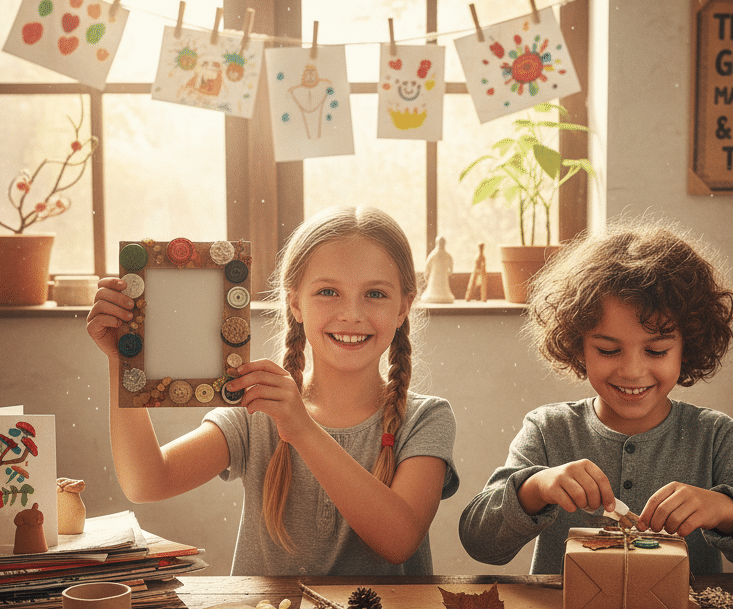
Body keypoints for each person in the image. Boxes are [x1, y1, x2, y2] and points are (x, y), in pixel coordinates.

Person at [87, 205, 458, 576]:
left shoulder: (427, 419)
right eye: (328, 291)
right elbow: (146, 481)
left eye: (375, 294)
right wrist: (121, 361)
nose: (351, 314)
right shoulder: (258, 407)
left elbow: (399, 541)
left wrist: (303, 430)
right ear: (295, 302)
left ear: (403, 308)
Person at [459, 215, 733, 576]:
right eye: (608, 350)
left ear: (689, 346)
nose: (632, 371)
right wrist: (536, 488)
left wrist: (725, 510)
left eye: (656, 351)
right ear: (578, 345)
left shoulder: (715, 437)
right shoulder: (549, 430)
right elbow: (479, 542)